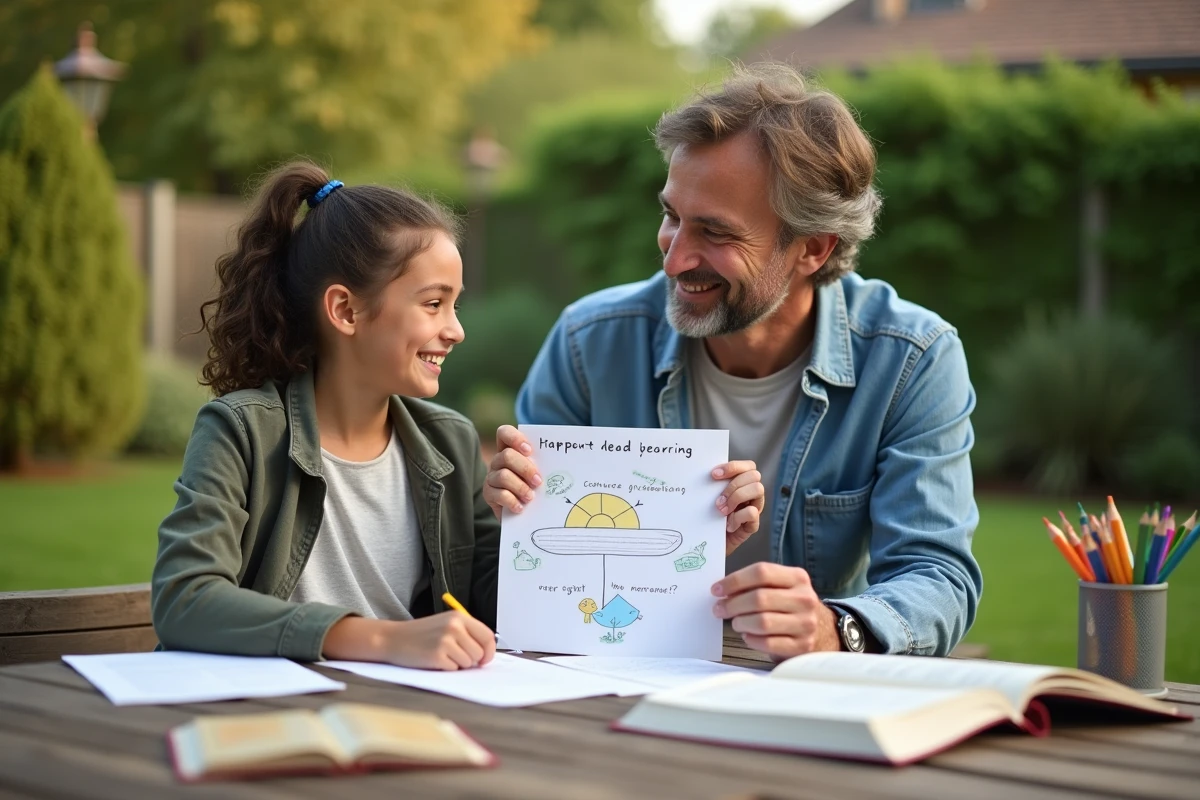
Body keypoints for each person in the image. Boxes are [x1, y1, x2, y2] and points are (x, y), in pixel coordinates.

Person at [485, 65, 983, 660]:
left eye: (715, 233)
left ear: (813, 247)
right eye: (673, 217)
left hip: (804, 695)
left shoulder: (911, 359)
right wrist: (514, 523)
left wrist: (834, 628)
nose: (674, 260)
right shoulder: (588, 342)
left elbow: (938, 575)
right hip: (618, 673)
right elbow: (528, 571)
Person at [151, 162, 497, 671]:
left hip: (413, 712)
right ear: (345, 310)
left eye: (455, 306)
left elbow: (495, 604)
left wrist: (532, 520)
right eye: (433, 304)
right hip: (264, 713)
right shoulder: (242, 431)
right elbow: (185, 599)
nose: (455, 331)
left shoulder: (452, 443)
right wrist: (381, 640)